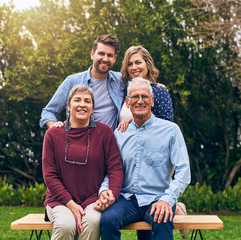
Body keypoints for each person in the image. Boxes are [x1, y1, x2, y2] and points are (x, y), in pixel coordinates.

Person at [98, 78, 191, 240]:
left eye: (144, 96)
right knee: (107, 220)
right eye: (135, 97)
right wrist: (104, 190)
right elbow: (111, 170)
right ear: (127, 102)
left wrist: (167, 199)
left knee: (161, 218)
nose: (140, 101)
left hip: (158, 198)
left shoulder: (170, 130)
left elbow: (184, 172)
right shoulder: (119, 134)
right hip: (127, 200)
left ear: (152, 101)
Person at [118, 46, 189, 239]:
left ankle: (175, 205)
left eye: (138, 62)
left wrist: (137, 122)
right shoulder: (124, 90)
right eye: (130, 63)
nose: (134, 67)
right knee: (131, 225)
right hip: (131, 163)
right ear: (128, 100)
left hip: (154, 167)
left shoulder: (158, 91)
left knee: (156, 219)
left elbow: (165, 125)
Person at [42, 84, 123, 240]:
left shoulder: (104, 132)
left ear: (92, 108)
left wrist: (111, 193)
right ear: (68, 106)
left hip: (92, 199)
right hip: (59, 200)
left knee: (93, 221)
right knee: (66, 225)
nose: (82, 104)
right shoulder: (53, 134)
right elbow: (50, 176)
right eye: (77, 100)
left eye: (87, 101)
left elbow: (115, 169)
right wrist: (71, 204)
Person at [39, 34, 125, 130]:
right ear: (92, 54)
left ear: (114, 58)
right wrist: (55, 128)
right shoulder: (73, 81)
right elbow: (48, 112)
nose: (105, 59)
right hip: (79, 142)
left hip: (109, 142)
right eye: (101, 54)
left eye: (109, 55)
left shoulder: (120, 80)